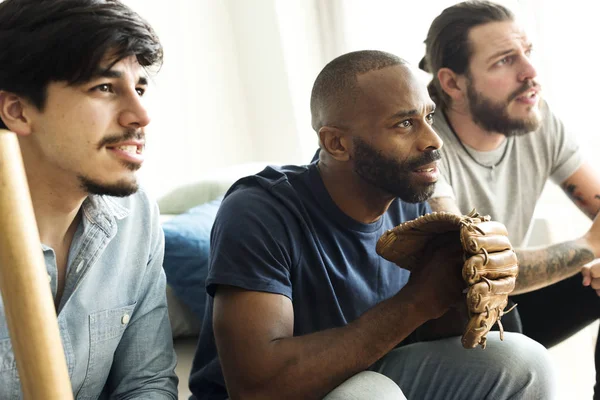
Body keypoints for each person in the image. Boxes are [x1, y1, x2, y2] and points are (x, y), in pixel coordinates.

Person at [188, 50, 556, 400]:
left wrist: (462, 295)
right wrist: (418, 301)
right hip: (295, 390)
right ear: (336, 143)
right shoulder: (260, 211)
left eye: (428, 118)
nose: (433, 141)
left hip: (367, 374)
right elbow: (257, 388)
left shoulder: (410, 199)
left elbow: (417, 334)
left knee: (523, 362)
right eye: (405, 123)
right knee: (369, 393)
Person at [420, 0, 600, 397]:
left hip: (507, 304)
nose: (531, 72)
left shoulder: (534, 118)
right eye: (504, 60)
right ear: (452, 83)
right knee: (494, 305)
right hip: (441, 324)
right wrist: (588, 245)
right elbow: (475, 269)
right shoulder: (423, 148)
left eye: (528, 53)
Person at [0, 0, 178, 398]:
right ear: (17, 110)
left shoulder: (136, 216)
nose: (140, 114)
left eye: (140, 88)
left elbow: (146, 383)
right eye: (104, 88)